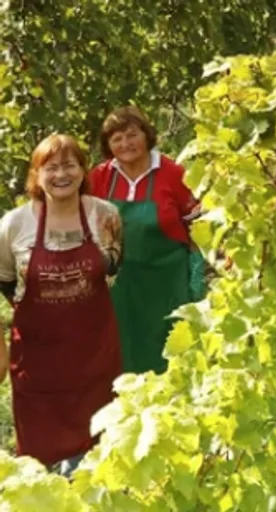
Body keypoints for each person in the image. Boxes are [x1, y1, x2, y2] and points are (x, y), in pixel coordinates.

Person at [0, 134, 123, 478]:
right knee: (39, 467)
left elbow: (113, 266)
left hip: (95, 355)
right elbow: (4, 279)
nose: (61, 174)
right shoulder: (14, 224)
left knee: (98, 456)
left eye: (70, 165)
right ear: (36, 176)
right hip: (39, 361)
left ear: (83, 171)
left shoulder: (106, 216)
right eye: (50, 167)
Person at [89, 106, 204, 375]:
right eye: (116, 139)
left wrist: (198, 274)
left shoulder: (173, 173)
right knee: (121, 351)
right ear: (108, 145)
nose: (126, 144)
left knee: (168, 354)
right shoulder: (101, 176)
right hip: (120, 286)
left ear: (146, 135)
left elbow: (197, 226)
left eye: (132, 135)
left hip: (166, 283)